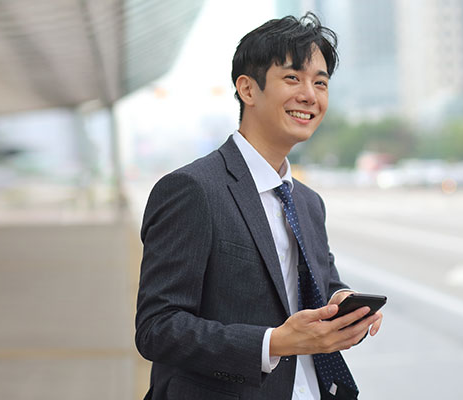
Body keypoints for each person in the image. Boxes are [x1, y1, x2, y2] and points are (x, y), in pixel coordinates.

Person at [135, 13, 384, 400]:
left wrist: (343, 307)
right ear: (248, 90)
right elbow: (157, 328)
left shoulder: (308, 202)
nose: (310, 95)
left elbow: (323, 285)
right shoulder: (192, 189)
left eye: (320, 82)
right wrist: (275, 342)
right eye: (292, 78)